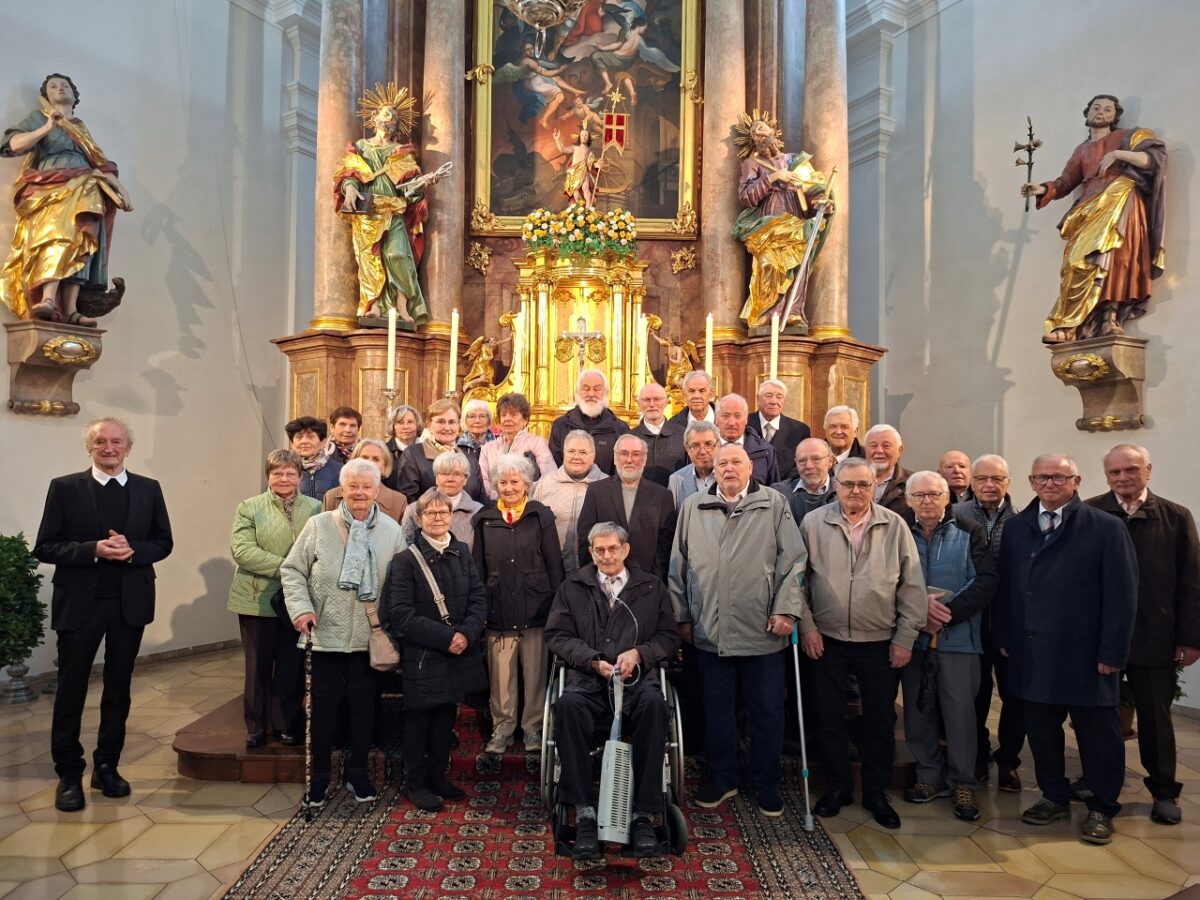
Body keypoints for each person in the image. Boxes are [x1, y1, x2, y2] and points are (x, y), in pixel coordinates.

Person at [995, 453, 1137, 845]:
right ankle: (1053, 795)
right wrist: (1005, 637)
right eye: (1042, 478)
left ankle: (1102, 806)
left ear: (1076, 481)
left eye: (1059, 477)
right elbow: (1008, 588)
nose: (1050, 484)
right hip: (1033, 652)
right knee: (1041, 733)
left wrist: (1112, 653)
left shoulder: (1105, 527)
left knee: (1098, 736)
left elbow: (1122, 596)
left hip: (1087, 655)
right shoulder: (1018, 527)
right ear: (1030, 481)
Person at [34, 418, 173, 812]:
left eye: (116, 441)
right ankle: (68, 774)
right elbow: (45, 546)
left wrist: (135, 551)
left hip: (129, 602)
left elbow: (163, 542)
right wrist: (92, 549)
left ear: (128, 447)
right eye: (100, 441)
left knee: (118, 689)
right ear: (89, 448)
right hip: (80, 603)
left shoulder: (148, 489)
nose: (108, 448)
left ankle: (107, 765)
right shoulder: (64, 488)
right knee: (71, 688)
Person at [669, 444, 805, 817]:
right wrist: (682, 616)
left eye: (736, 463)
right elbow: (678, 566)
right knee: (717, 712)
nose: (728, 469)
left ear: (751, 468)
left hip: (763, 631)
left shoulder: (773, 504)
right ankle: (723, 778)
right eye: (722, 463)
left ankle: (766, 783)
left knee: (766, 713)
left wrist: (786, 611)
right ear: (713, 469)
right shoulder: (693, 507)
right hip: (710, 630)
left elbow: (793, 562)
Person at [799, 457, 926, 829]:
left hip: (880, 641)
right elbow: (797, 580)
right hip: (827, 639)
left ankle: (875, 791)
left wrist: (905, 637)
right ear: (834, 485)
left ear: (875, 487)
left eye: (864, 485)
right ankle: (838, 787)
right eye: (848, 484)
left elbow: (913, 585)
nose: (856, 491)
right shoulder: (813, 523)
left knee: (880, 720)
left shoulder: (894, 525)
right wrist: (807, 626)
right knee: (829, 717)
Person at [546, 522, 681, 859]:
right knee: (567, 706)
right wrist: (591, 660)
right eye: (599, 550)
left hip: (636, 682)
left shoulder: (651, 587)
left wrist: (640, 654)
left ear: (625, 549)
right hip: (588, 681)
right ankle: (584, 812)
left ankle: (643, 815)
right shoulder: (573, 587)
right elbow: (557, 636)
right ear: (590, 552)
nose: (606, 556)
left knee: (655, 706)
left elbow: (668, 636)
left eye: (612, 549)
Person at [1083, 444, 1200, 825]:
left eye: (1131, 470)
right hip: (1100, 636)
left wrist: (1190, 637)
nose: (1123, 478)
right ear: (1106, 476)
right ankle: (1097, 778)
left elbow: (1191, 582)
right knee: (1098, 716)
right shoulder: (1090, 512)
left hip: (1154, 633)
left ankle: (1164, 790)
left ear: (1147, 470)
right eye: (1115, 472)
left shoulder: (1175, 517)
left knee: (1155, 716)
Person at [281, 459, 406, 807]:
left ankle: (358, 773)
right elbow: (292, 570)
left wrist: (394, 625)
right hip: (324, 636)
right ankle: (319, 776)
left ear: (378, 491)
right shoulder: (319, 526)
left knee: (365, 709)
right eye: (354, 486)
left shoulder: (392, 531)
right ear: (342, 490)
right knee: (323, 711)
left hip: (369, 639)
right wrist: (302, 609)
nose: (361, 493)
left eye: (368, 486)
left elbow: (401, 584)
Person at [1021, 94, 1167, 344]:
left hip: (1121, 199)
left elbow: (1152, 160)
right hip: (1089, 206)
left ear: (1115, 115)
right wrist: (1042, 189)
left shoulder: (1130, 137)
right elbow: (1065, 182)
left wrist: (1120, 155)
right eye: (1096, 108)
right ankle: (1070, 322)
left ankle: (1110, 317)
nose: (1101, 112)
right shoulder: (1082, 150)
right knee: (1076, 262)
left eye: (1108, 109)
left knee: (1115, 258)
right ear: (1087, 114)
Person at [899, 472, 997, 822]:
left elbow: (985, 580)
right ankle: (928, 776)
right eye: (920, 495)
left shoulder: (971, 530)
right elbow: (888, 577)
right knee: (917, 710)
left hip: (958, 638)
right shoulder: (898, 530)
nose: (927, 501)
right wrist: (918, 610)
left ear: (948, 498)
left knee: (960, 715)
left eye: (935, 494)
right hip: (911, 636)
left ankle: (962, 781)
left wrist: (946, 613)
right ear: (908, 500)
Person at [1, 73, 132, 326]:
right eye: (53, 86)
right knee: (56, 237)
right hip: (51, 186)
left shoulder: (81, 128)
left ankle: (71, 309)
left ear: (74, 94)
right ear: (46, 96)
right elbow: (14, 145)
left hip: (86, 187)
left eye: (65, 86)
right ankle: (48, 299)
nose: (60, 89)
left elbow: (100, 163)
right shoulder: (39, 118)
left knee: (83, 241)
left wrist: (121, 189)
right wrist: (47, 128)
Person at [385, 489, 487, 812]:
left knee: (446, 718)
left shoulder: (462, 553)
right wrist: (447, 638)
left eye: (443, 512)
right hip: (425, 655)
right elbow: (400, 614)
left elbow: (478, 598)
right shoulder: (405, 561)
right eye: (431, 513)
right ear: (419, 518)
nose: (438, 518)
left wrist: (467, 634)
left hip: (458, 653)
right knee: (420, 721)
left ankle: (438, 776)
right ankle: (416, 783)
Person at [472, 454, 566, 755]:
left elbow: (554, 564)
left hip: (536, 606)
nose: (509, 487)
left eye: (515, 481)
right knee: (502, 676)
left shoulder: (541, 516)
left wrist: (556, 607)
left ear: (526, 484)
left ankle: (534, 729)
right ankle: (503, 728)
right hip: (498, 606)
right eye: (503, 482)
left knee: (535, 673)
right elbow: (478, 569)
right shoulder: (485, 519)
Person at [335, 83, 450, 325]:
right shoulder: (360, 147)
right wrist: (351, 189)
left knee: (399, 254)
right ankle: (373, 304)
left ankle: (402, 304)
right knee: (369, 258)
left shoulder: (401, 152)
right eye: (387, 114)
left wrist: (425, 183)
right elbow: (347, 175)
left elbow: (410, 189)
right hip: (368, 210)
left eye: (395, 117)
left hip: (394, 208)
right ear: (374, 117)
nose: (391, 120)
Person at [228, 450, 321, 749]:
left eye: (290, 473)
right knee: (258, 667)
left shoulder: (316, 508)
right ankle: (256, 726)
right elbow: (242, 551)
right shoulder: (250, 507)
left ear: (300, 476)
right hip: (257, 599)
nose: (284, 478)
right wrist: (289, 568)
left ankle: (284, 724)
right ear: (268, 475)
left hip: (297, 601)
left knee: (290, 666)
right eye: (277, 473)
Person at [953, 454, 1024, 792]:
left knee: (1014, 694)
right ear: (972, 482)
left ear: (1008, 483)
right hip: (970, 620)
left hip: (1008, 623)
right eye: (982, 479)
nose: (989, 485)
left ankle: (1008, 760)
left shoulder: (1023, 521)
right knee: (975, 693)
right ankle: (978, 753)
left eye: (997, 479)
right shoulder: (956, 516)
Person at [731, 112, 830, 329]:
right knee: (768, 263)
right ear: (753, 141)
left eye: (764, 131)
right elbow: (746, 197)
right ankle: (766, 312)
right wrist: (774, 177)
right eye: (756, 134)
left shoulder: (795, 160)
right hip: (768, 221)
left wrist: (822, 200)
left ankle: (792, 311)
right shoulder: (752, 163)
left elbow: (813, 189)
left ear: (774, 133)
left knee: (797, 262)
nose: (761, 136)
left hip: (794, 216)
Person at [576, 435, 676, 581]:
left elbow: (666, 547)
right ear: (615, 458)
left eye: (636, 454)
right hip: (604, 581)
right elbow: (585, 539)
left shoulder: (662, 496)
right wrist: (594, 579)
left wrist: (654, 581)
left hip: (647, 583)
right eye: (624, 453)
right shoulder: (596, 491)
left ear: (644, 458)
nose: (629, 459)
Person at [532, 429, 607, 575]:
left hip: (595, 570)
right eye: (571, 451)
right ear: (564, 454)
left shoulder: (606, 484)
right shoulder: (545, 483)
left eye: (583, 452)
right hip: (553, 569)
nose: (576, 457)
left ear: (593, 457)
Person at [396, 400, 484, 503]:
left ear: (458, 426)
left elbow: (481, 499)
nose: (447, 427)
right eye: (440, 422)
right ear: (429, 425)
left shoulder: (470, 459)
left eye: (452, 422)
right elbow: (409, 499)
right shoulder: (413, 455)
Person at [548, 369, 630, 475]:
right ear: (577, 393)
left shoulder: (620, 428)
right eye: (586, 389)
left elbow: (622, 469)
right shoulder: (561, 425)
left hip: (605, 489)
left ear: (606, 393)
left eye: (597, 389)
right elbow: (555, 467)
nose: (591, 394)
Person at [400, 452, 483, 550]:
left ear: (465, 479)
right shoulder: (413, 510)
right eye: (444, 473)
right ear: (436, 478)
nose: (450, 479)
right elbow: (406, 547)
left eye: (456, 474)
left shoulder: (478, 511)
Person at [480, 392, 555, 499]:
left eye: (513, 414)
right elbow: (483, 481)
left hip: (528, 505)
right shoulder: (487, 448)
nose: (507, 419)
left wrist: (521, 495)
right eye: (504, 415)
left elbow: (549, 476)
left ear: (525, 420)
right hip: (495, 506)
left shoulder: (536, 443)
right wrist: (500, 497)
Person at [323, 438, 408, 522]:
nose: (370, 463)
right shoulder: (331, 497)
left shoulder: (398, 501)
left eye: (376, 459)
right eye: (364, 458)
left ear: (385, 467)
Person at [747, 380, 811, 481]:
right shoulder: (745, 424)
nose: (774, 401)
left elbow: (800, 465)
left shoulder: (799, 430)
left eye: (779, 397)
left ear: (784, 401)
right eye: (768, 395)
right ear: (758, 398)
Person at [715, 393, 779, 487]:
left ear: (746, 419)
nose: (732, 422)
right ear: (716, 419)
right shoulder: (704, 449)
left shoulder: (765, 451)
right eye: (726, 416)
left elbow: (774, 491)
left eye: (737, 416)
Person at [631, 382, 686, 487]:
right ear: (639, 404)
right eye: (647, 400)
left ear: (666, 402)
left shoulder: (682, 435)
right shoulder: (629, 438)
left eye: (657, 399)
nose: (652, 404)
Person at [770, 437, 836, 523]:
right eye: (802, 461)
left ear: (830, 461)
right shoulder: (778, 494)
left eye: (816, 459)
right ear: (796, 463)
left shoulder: (843, 492)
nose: (809, 466)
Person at [286, 416, 343, 502]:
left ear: (323, 442)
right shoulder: (285, 470)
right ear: (292, 444)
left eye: (310, 436)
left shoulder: (340, 470)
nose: (304, 441)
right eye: (299, 437)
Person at [668, 420, 720, 508]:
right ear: (687, 449)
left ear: (718, 446)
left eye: (708, 444)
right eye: (695, 445)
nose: (702, 451)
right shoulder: (676, 481)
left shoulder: (729, 476)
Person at [863, 424, 911, 515]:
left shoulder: (911, 483)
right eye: (873, 446)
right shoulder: (851, 482)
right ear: (865, 450)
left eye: (886, 446)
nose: (879, 451)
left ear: (900, 450)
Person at [553, 124, 602, 207]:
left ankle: (588, 208)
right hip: (573, 172)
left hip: (583, 171)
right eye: (582, 135)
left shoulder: (590, 151)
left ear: (589, 138)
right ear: (579, 137)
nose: (584, 137)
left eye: (586, 135)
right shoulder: (575, 148)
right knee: (575, 191)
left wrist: (597, 165)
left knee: (585, 188)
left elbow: (591, 164)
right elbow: (562, 149)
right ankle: (578, 208)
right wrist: (557, 139)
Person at [384, 405, 423, 490]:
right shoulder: (383, 452)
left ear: (418, 425)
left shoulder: (428, 450)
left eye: (410, 422)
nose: (405, 427)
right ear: (393, 426)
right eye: (400, 422)